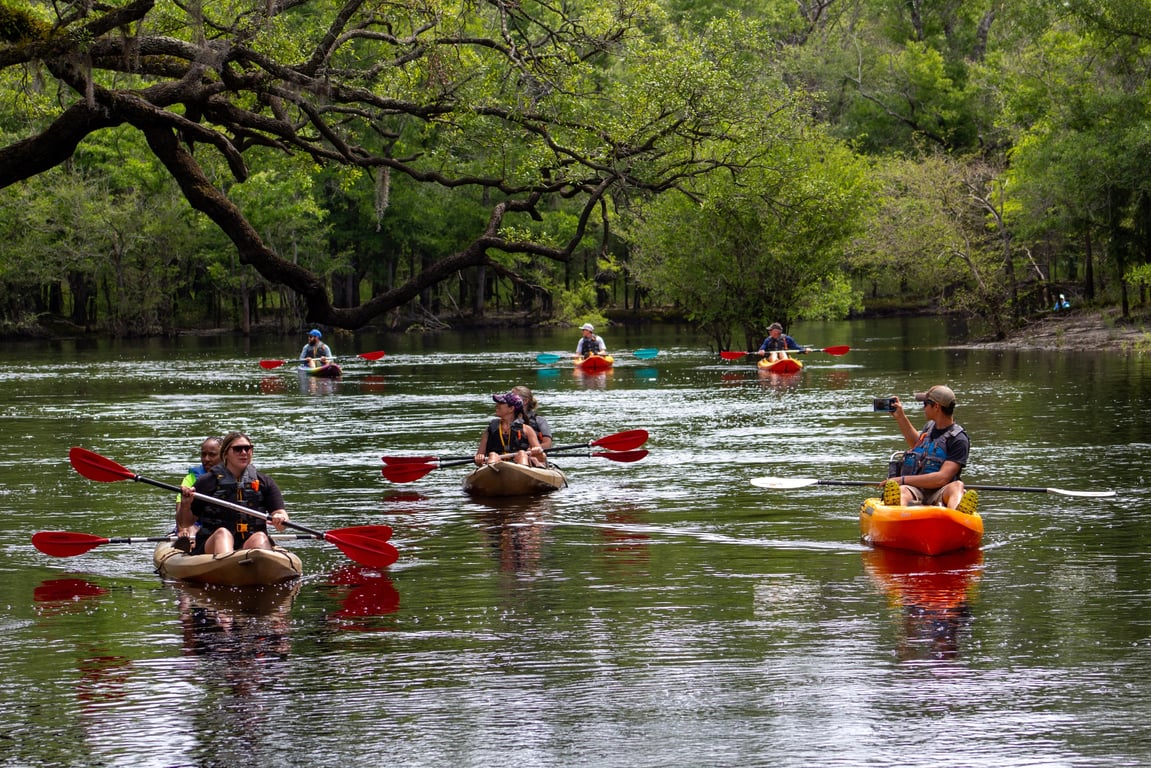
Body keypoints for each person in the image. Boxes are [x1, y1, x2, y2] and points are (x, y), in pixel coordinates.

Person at [177, 431, 290, 555]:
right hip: (212, 545)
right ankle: (226, 565)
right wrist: (186, 505)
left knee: (260, 537)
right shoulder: (206, 482)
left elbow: (281, 521)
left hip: (249, 543)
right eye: (237, 449)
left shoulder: (264, 482)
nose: (244, 452)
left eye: (247, 448)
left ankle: (259, 567)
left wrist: (280, 518)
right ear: (225, 453)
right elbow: (185, 523)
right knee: (223, 534)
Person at [880, 385, 978, 515]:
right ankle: (896, 514)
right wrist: (900, 417)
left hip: (940, 492)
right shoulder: (930, 427)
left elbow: (942, 478)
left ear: (936, 407)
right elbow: (917, 445)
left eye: (925, 404)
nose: (923, 407)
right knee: (902, 491)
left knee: (957, 486)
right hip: (915, 490)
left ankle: (958, 515)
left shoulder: (959, 439)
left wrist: (902, 479)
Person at [173, 436, 222, 550]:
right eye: (203, 454)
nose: (206, 459)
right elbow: (180, 506)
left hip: (221, 525)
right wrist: (182, 530)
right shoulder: (191, 478)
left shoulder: (232, 476)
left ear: (223, 456)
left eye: (212, 454)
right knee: (191, 529)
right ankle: (189, 546)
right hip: (195, 524)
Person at [474, 391, 546, 467]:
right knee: (493, 455)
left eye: (501, 403)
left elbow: (542, 458)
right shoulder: (489, 430)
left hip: (521, 465)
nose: (497, 405)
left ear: (511, 408)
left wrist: (538, 452)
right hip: (496, 467)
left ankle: (521, 473)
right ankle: (493, 471)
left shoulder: (527, 430)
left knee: (521, 454)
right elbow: (479, 459)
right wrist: (479, 459)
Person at [512, 385, 554, 450]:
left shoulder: (539, 420)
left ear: (525, 401)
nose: (509, 401)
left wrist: (534, 449)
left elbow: (547, 445)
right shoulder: (507, 419)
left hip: (533, 456)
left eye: (513, 398)